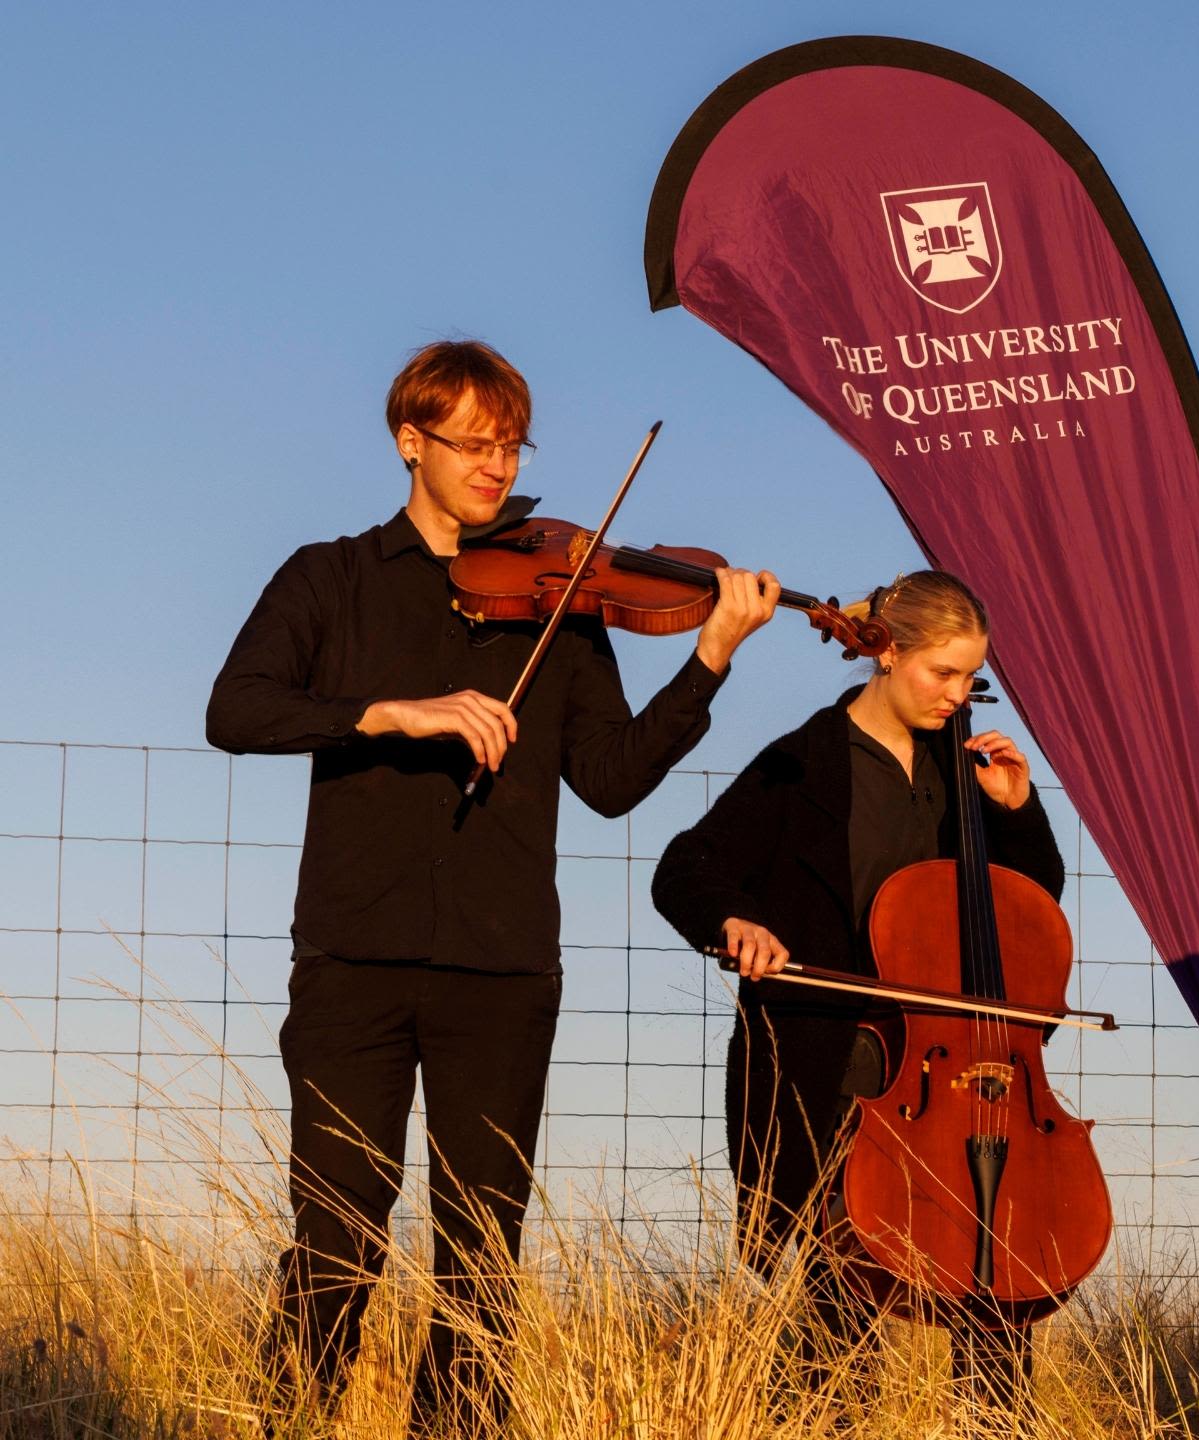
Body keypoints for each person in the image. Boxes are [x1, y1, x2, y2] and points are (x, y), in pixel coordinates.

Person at [205, 339, 780, 1435]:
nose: (496, 466)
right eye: (472, 443)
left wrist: (708, 659)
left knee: (479, 1254)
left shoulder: (557, 601)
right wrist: (391, 710)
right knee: (336, 1236)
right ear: (409, 443)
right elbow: (235, 710)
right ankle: (289, 1419)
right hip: (352, 961)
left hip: (504, 969)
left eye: (511, 444)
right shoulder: (328, 577)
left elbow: (610, 782)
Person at [650, 570, 1065, 1425]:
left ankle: (994, 1423)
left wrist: (1019, 812)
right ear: (886, 655)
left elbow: (1030, 910)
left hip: (963, 1069)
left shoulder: (967, 771)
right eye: (942, 674)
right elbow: (685, 867)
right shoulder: (804, 763)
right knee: (840, 1289)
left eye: (971, 679)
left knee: (996, 1282)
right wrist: (737, 921)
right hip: (834, 1055)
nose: (959, 696)